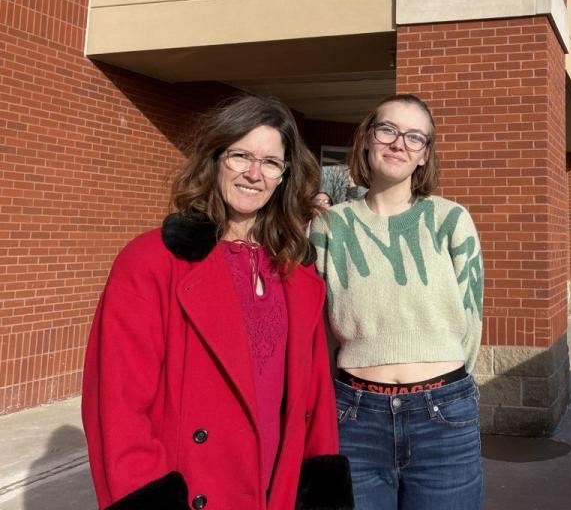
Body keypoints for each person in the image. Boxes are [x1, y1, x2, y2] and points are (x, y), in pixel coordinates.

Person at [81, 96, 353, 510]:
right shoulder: (152, 262)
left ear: (285, 176)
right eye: (240, 156)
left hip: (275, 494)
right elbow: (118, 407)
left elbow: (314, 405)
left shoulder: (297, 274)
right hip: (195, 492)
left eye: (271, 162)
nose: (254, 174)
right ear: (214, 160)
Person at [311, 94, 484, 510]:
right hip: (353, 416)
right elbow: (316, 327)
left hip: (444, 415)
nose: (399, 143)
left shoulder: (450, 219)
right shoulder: (329, 225)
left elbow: (472, 317)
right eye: (387, 130)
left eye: (414, 137)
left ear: (425, 155)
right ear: (368, 139)